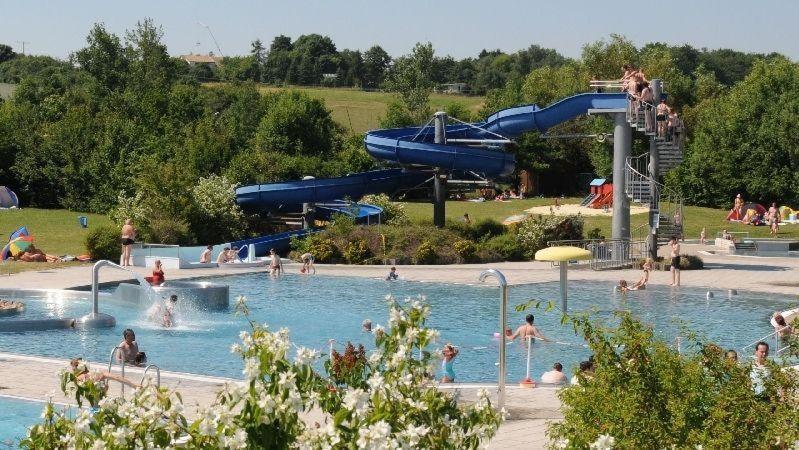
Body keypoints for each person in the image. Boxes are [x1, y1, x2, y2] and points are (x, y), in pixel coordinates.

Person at [70, 358, 140, 390]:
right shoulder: (99, 372)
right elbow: (117, 377)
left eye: (72, 368)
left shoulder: (78, 378)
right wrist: (133, 385)